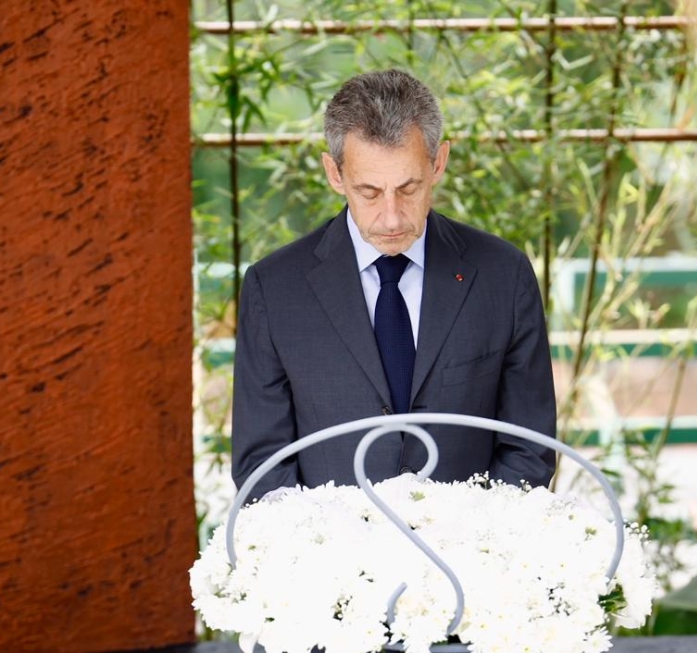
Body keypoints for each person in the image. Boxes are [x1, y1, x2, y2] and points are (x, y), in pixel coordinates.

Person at [230, 69, 556, 500]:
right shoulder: (273, 290)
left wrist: (476, 546)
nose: (391, 217)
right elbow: (262, 464)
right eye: (368, 191)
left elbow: (528, 449)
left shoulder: (504, 275)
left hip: (468, 556)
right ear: (334, 174)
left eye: (408, 188)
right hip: (331, 560)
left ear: (438, 163)